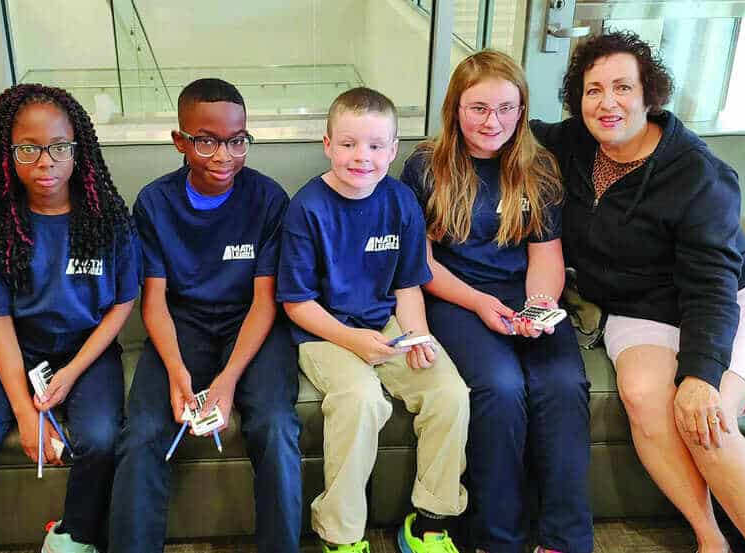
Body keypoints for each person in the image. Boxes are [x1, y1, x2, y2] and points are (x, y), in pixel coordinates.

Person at [532, 31, 745, 553]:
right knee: (646, 398)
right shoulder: (573, 143)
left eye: (623, 87)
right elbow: (510, 127)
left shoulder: (698, 174)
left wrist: (701, 374)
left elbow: (712, 285)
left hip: (728, 301)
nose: (607, 102)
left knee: (705, 418)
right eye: (594, 89)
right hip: (638, 308)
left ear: (649, 94)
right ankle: (710, 540)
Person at [0, 84, 139, 553]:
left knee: (101, 440)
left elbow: (122, 304)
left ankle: (74, 538)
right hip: (19, 353)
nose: (45, 161)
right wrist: (26, 413)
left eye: (59, 147)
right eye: (28, 149)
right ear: (8, 154)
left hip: (88, 354)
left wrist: (72, 372)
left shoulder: (110, 222)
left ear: (78, 149)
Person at [400, 50, 592, 553]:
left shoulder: (539, 166)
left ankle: (564, 539)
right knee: (501, 388)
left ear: (522, 109)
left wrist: (539, 306)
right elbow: (420, 263)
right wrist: (480, 303)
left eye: (507, 108)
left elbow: (546, 253)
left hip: (526, 294)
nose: (494, 122)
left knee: (563, 384)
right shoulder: (425, 166)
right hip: (456, 296)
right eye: (479, 108)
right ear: (455, 109)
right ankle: (498, 538)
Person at [109, 78, 302, 553]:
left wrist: (227, 380)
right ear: (180, 141)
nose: (224, 155)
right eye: (207, 141)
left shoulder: (268, 199)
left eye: (237, 141)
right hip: (184, 324)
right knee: (142, 433)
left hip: (251, 324)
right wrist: (178, 372)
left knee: (276, 426)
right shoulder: (155, 203)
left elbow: (265, 301)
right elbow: (154, 302)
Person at [277, 87, 469, 553]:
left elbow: (407, 286)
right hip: (325, 331)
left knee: (449, 392)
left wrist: (418, 335)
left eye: (376, 145)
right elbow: (297, 304)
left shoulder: (401, 202)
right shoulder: (307, 208)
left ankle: (429, 522)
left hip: (387, 325)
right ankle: (341, 537)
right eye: (348, 144)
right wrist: (353, 341)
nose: (362, 156)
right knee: (361, 400)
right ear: (328, 145)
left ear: (393, 149)